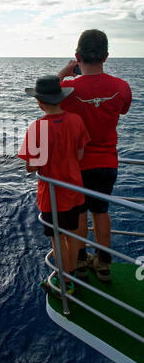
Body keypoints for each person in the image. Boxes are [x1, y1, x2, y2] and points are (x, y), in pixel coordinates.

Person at [58, 29, 132, 282]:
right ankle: (103, 264)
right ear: (106, 56)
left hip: (77, 164)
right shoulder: (121, 87)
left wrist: (66, 71)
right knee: (101, 212)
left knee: (79, 213)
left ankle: (79, 262)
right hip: (107, 163)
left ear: (77, 56)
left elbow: (44, 96)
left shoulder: (67, 88)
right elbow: (123, 109)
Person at [18, 75, 90, 295]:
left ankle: (64, 281)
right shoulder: (76, 120)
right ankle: (71, 274)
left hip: (52, 195)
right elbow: (79, 154)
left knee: (57, 239)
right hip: (75, 190)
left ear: (39, 102)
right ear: (61, 98)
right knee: (71, 235)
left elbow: (31, 166)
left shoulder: (37, 127)